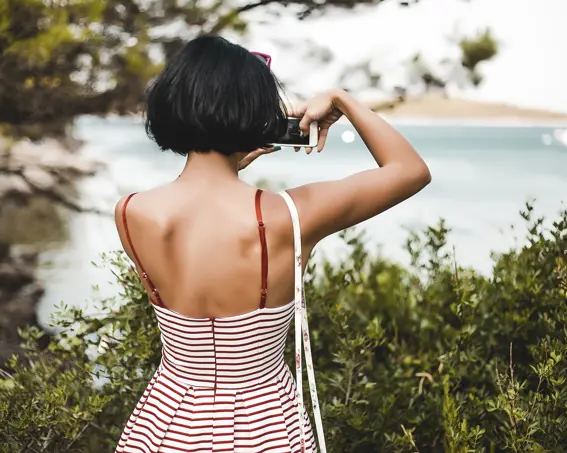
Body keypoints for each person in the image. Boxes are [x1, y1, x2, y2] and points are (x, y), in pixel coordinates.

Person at [113, 35, 431, 453]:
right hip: (263, 427)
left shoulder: (131, 212)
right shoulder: (289, 217)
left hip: (164, 423)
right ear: (255, 114)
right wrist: (342, 99)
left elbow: (204, 217)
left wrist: (230, 157)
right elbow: (410, 171)